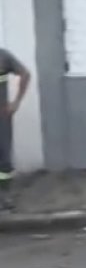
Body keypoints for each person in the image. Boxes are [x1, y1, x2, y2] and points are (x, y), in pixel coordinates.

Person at [0, 49, 30, 211]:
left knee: (4, 160)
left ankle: (4, 196)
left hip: (1, 118)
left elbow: (25, 74)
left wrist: (16, 102)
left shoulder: (3, 56)